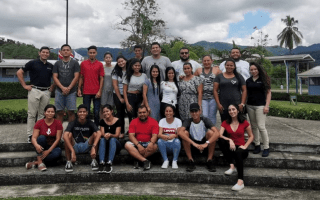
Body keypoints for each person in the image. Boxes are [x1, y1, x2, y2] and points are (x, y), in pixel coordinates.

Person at [16, 46, 55, 143]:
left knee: (43, 114)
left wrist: (52, 87)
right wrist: (25, 85)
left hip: (46, 91)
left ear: (49, 54)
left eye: (47, 52)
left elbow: (56, 77)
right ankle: (30, 135)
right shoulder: (32, 63)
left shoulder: (50, 65)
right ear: (39, 53)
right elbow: (19, 72)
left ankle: (39, 134)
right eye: (43, 52)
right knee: (32, 114)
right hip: (35, 90)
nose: (45, 54)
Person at [217, 104, 254, 191]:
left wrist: (245, 146)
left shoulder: (244, 122)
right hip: (232, 148)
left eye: (233, 109)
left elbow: (251, 136)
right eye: (229, 110)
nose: (231, 111)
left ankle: (240, 182)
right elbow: (220, 135)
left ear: (237, 111)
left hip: (241, 149)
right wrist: (229, 140)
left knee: (238, 152)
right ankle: (232, 166)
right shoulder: (225, 122)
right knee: (221, 140)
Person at [178, 103, 220, 172]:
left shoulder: (205, 120)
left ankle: (209, 160)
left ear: (200, 111)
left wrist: (206, 143)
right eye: (192, 111)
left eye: (196, 111)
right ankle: (190, 160)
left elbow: (217, 132)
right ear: (190, 113)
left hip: (204, 145)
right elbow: (180, 132)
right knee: (184, 133)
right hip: (193, 145)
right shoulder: (188, 121)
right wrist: (194, 143)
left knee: (211, 133)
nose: (194, 113)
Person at [63, 104, 102, 172]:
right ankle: (68, 162)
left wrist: (93, 147)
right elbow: (65, 135)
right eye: (80, 112)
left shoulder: (90, 122)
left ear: (87, 113)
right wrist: (72, 151)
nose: (82, 113)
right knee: (68, 135)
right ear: (77, 113)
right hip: (75, 146)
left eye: (84, 112)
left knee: (96, 134)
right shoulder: (73, 123)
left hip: (87, 145)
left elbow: (99, 133)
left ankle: (93, 160)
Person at [25, 104, 62, 171]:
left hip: (52, 147)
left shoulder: (58, 123)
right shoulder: (39, 123)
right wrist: (36, 145)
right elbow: (33, 138)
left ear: (54, 113)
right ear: (44, 113)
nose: (50, 113)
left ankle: (37, 162)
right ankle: (40, 163)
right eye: (48, 111)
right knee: (41, 138)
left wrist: (49, 151)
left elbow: (58, 139)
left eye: (52, 112)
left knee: (58, 153)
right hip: (42, 146)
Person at [246, 62, 271, 157]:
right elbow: (246, 93)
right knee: (254, 126)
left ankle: (266, 147)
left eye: (255, 69)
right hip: (250, 106)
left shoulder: (264, 80)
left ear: (258, 69)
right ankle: (257, 145)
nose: (253, 71)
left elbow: (268, 93)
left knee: (261, 126)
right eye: (251, 69)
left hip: (261, 106)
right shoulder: (248, 80)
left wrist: (266, 106)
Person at [124, 105, 159, 170]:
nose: (142, 114)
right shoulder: (133, 121)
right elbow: (131, 136)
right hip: (137, 143)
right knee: (127, 145)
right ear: (137, 113)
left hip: (148, 143)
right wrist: (138, 145)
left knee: (155, 146)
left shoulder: (154, 122)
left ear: (147, 113)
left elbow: (155, 135)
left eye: (144, 112)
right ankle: (145, 161)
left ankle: (138, 159)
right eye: (140, 113)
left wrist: (151, 143)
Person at [53, 44, 80, 124]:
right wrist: (62, 88)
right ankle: (59, 134)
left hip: (71, 91)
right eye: (64, 50)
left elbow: (76, 77)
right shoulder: (57, 63)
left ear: (70, 51)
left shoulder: (75, 63)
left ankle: (70, 133)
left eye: (67, 50)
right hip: (59, 91)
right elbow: (55, 77)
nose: (65, 51)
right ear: (61, 52)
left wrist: (68, 88)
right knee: (59, 112)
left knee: (71, 112)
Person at [78, 45, 104, 127]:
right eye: (90, 53)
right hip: (86, 91)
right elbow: (81, 77)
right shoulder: (83, 64)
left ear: (96, 53)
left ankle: (96, 128)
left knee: (96, 112)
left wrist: (100, 91)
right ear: (88, 53)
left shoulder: (100, 64)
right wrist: (79, 88)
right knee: (86, 112)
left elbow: (101, 78)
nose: (92, 54)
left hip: (96, 92)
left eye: (93, 53)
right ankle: (88, 128)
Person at [194, 55, 221, 125]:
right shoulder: (198, 70)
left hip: (213, 97)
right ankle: (205, 134)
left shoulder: (217, 70)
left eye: (208, 60)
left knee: (212, 116)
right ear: (202, 62)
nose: (206, 62)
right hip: (203, 98)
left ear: (212, 61)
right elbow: (192, 79)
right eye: (204, 61)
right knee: (204, 116)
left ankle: (212, 133)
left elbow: (224, 79)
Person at [98, 104, 122, 173]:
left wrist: (110, 135)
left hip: (116, 144)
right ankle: (101, 162)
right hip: (106, 144)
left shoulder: (118, 121)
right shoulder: (102, 121)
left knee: (113, 139)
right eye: (104, 112)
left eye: (107, 111)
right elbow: (102, 133)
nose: (105, 113)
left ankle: (109, 163)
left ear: (111, 111)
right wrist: (105, 135)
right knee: (102, 139)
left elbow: (117, 135)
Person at [123, 58, 147, 123]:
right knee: (131, 115)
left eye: (139, 65)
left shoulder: (144, 76)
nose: (137, 67)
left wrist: (144, 101)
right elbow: (124, 91)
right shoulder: (128, 76)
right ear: (132, 66)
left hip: (140, 97)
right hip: (130, 97)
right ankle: (131, 130)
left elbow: (146, 89)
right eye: (135, 65)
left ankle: (139, 130)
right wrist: (127, 103)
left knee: (140, 114)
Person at [157, 104, 182, 169]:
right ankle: (165, 160)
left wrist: (174, 135)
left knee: (177, 141)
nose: (168, 113)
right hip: (165, 143)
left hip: (174, 144)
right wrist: (163, 136)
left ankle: (174, 161)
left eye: (170, 111)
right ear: (164, 112)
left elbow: (179, 134)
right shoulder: (162, 121)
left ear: (173, 112)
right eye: (166, 111)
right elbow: (159, 134)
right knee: (159, 141)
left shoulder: (178, 121)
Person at [112, 55, 128, 138]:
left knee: (130, 113)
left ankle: (131, 131)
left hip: (128, 94)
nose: (121, 63)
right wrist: (120, 98)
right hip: (118, 94)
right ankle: (121, 131)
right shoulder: (115, 72)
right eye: (119, 62)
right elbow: (115, 86)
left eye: (122, 61)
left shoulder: (130, 70)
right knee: (120, 113)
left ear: (125, 60)